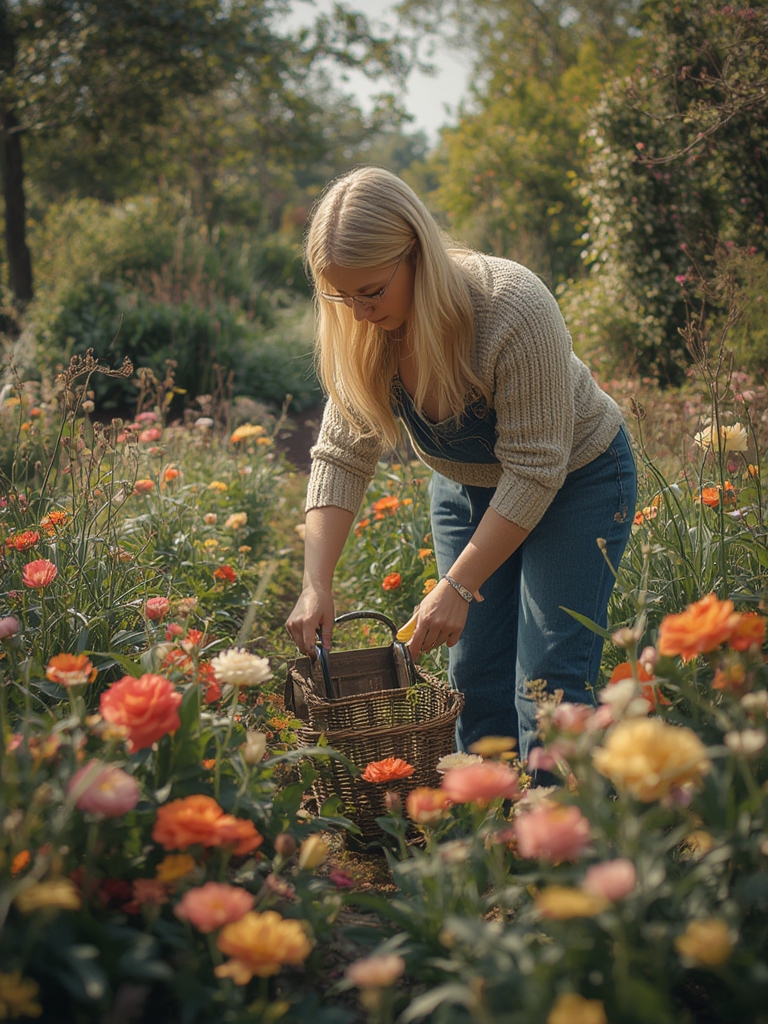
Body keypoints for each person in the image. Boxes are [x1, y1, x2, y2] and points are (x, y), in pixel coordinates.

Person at [286, 165, 637, 764]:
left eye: (372, 290)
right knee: (473, 672)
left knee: (547, 681)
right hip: (467, 486)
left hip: (576, 482)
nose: (360, 312)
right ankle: (483, 836)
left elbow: (534, 471)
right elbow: (341, 456)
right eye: (343, 297)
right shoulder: (364, 332)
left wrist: (457, 584)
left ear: (417, 254)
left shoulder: (511, 308)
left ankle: (561, 841)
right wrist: (315, 582)